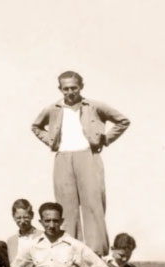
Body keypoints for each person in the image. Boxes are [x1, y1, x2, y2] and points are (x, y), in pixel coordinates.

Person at [31, 70, 131, 256]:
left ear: (81, 87)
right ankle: (69, 251)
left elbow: (122, 121)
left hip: (88, 156)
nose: (70, 92)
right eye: (66, 88)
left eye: (74, 88)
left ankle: (96, 253)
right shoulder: (53, 109)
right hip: (63, 157)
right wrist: (51, 141)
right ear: (60, 88)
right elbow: (36, 126)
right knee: (66, 207)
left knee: (93, 204)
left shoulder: (94, 106)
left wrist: (105, 139)